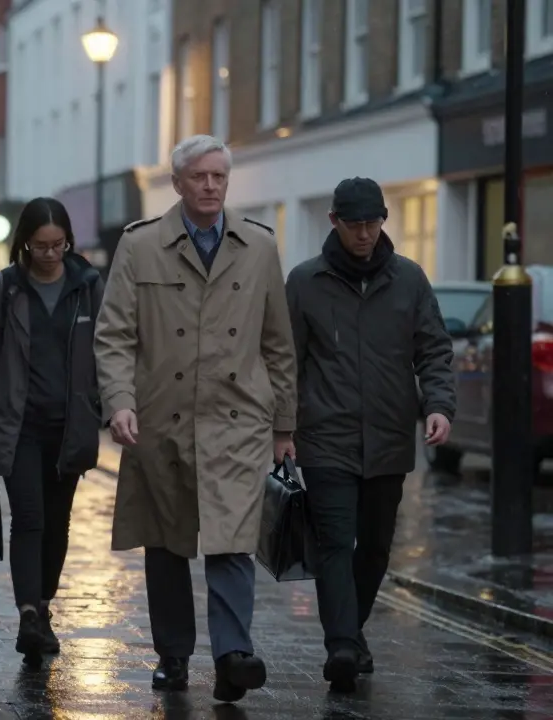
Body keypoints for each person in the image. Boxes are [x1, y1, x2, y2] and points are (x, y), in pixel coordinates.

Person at [93, 135, 297, 704]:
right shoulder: (140, 246)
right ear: (178, 183)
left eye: (219, 178)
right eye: (200, 177)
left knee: (233, 538)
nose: (210, 187)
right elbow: (113, 335)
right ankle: (174, 655)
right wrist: (120, 401)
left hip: (238, 419)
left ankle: (233, 654)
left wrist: (284, 428)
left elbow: (278, 344)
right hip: (163, 417)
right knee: (168, 542)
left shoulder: (257, 246)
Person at [285, 177, 455, 692]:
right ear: (334, 222)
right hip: (325, 437)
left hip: (387, 438)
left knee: (376, 547)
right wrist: (282, 427)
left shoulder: (409, 279)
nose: (364, 234)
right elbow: (284, 361)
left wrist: (440, 406)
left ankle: (351, 632)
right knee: (336, 542)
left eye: (372, 223)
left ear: (383, 220)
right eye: (354, 224)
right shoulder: (304, 282)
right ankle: (341, 645)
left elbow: (433, 349)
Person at [0, 197, 103, 663]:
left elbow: (108, 352)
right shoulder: (3, 290)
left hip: (70, 427)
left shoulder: (88, 287)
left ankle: (43, 607)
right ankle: (28, 614)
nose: (50, 254)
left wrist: (106, 408)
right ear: (24, 243)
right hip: (17, 424)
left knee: (59, 522)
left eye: (58, 245)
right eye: (40, 246)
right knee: (29, 518)